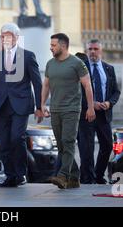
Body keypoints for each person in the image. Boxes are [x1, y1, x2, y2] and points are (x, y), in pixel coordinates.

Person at [0, 23, 43, 187]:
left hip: (21, 105)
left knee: (17, 138)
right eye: (3, 36)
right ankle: (10, 176)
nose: (5, 39)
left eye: (9, 35)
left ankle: (20, 174)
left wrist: (40, 106)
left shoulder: (28, 56)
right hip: (1, 106)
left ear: (17, 37)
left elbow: (37, 83)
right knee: (5, 142)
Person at [40, 33, 96, 189]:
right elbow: (46, 85)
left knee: (68, 141)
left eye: (53, 45)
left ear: (63, 46)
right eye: (50, 45)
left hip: (71, 109)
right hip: (55, 109)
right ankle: (74, 176)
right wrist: (42, 104)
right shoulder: (50, 63)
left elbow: (87, 85)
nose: (50, 48)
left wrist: (91, 108)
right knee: (61, 146)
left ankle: (63, 176)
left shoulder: (77, 63)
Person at [78, 39, 121, 184]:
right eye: (90, 49)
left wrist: (109, 103)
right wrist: (91, 104)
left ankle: (98, 174)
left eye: (96, 49)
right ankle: (87, 178)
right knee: (86, 149)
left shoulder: (109, 68)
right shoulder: (81, 69)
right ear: (86, 51)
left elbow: (116, 91)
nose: (92, 52)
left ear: (101, 51)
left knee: (107, 145)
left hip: (103, 115)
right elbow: (77, 93)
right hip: (86, 114)